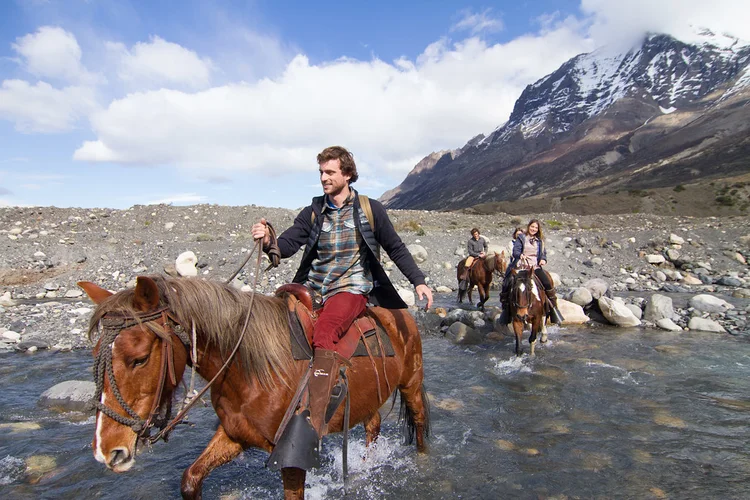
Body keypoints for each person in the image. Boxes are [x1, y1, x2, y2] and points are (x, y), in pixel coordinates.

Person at [251, 146, 433, 465]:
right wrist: (268, 241)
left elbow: (396, 248)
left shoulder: (369, 209)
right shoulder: (313, 211)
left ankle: (313, 424)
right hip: (313, 287)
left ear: (347, 174)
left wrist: (418, 280)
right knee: (270, 326)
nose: (323, 178)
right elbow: (290, 243)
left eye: (330, 172)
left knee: (325, 332)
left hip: (351, 288)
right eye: (321, 172)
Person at [498, 219, 563, 325]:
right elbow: (516, 251)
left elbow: (543, 253)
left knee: (547, 283)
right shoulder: (521, 238)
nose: (533, 229)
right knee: (507, 283)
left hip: (534, 267)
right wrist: (520, 255)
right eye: (532, 226)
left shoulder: (540, 240)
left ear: (538, 229)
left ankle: (554, 310)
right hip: (521, 266)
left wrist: (543, 259)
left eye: (536, 227)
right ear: (528, 227)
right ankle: (506, 311)